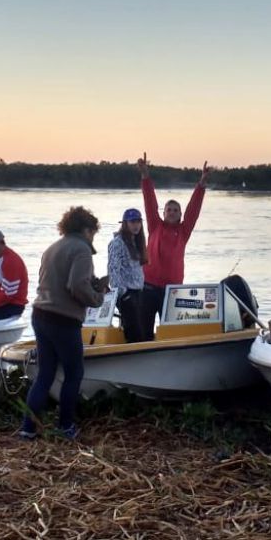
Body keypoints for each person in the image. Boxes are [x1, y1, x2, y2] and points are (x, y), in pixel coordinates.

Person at [21, 206, 107, 441]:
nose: (93, 237)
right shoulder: (81, 249)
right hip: (63, 320)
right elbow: (77, 286)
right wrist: (98, 296)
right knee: (73, 373)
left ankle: (28, 428)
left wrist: (90, 283)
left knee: (45, 374)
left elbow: (54, 280)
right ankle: (66, 427)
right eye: (93, 232)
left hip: (40, 314)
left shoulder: (53, 247)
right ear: (87, 229)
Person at [137, 153, 211, 340]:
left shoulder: (183, 231)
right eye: (168, 210)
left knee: (170, 333)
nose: (171, 212)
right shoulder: (155, 225)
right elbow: (149, 202)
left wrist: (201, 184)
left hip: (172, 290)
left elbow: (193, 210)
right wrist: (145, 176)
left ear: (180, 214)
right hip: (148, 287)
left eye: (175, 210)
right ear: (163, 213)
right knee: (144, 331)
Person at [107, 208, 148, 343]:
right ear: (125, 223)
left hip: (138, 292)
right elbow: (113, 271)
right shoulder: (117, 243)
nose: (136, 225)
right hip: (126, 295)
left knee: (142, 332)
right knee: (135, 334)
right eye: (132, 222)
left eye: (138, 222)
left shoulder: (137, 242)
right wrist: (123, 295)